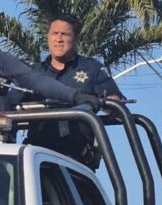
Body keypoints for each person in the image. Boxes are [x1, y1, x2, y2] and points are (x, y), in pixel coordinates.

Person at [22, 14, 125, 169]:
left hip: (77, 161)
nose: (58, 39)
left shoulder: (92, 69)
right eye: (54, 33)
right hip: (38, 158)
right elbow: (10, 104)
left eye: (65, 34)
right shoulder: (33, 72)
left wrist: (111, 104)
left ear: (76, 39)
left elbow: (115, 102)